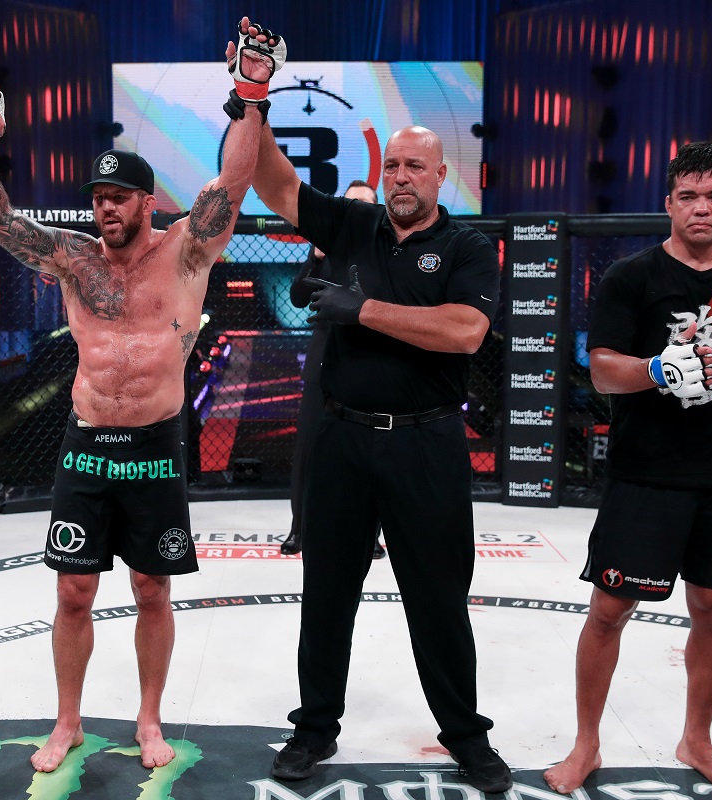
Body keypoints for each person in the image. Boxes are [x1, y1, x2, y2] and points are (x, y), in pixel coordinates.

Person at [0, 16, 284, 774]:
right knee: (73, 592)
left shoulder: (187, 251)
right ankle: (67, 721)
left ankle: (148, 718)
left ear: (145, 202)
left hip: (156, 445)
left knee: (151, 589)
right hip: (88, 443)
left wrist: (251, 89)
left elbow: (232, 183)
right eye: (98, 197)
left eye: (118, 197)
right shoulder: (72, 260)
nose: (106, 207)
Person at [247, 118, 512, 792]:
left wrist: (362, 310)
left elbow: (466, 330)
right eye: (392, 166)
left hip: (427, 443)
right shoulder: (352, 224)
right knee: (326, 595)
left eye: (414, 167)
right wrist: (253, 105)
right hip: (342, 437)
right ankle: (313, 729)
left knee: (439, 599)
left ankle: (465, 736)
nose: (400, 178)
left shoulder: (466, 247)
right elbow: (275, 184)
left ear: (440, 176)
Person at [543, 142, 712, 796]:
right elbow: (603, 371)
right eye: (688, 196)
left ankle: (697, 740)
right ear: (669, 203)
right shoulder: (631, 277)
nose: (701, 208)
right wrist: (659, 368)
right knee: (610, 609)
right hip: (644, 472)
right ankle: (586, 744)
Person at [283, 179, 384, 561]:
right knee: (308, 447)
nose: (357, 211)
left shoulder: (385, 253)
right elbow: (297, 297)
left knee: (370, 452)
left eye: (364, 204)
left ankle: (371, 535)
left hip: (370, 364)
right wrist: (316, 258)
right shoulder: (327, 247)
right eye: (351, 203)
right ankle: (299, 528)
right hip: (324, 361)